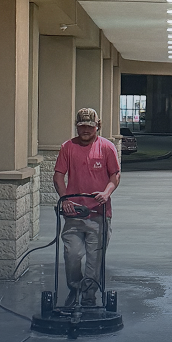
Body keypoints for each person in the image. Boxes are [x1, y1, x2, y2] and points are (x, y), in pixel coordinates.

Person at [53, 108, 121, 306]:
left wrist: (106, 193)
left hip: (99, 214)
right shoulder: (68, 147)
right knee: (72, 254)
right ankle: (75, 289)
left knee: (95, 259)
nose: (85, 130)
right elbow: (58, 176)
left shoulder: (106, 148)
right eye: (81, 126)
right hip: (74, 214)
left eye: (89, 127)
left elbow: (115, 175)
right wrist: (65, 199)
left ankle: (89, 296)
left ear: (97, 126)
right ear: (76, 126)